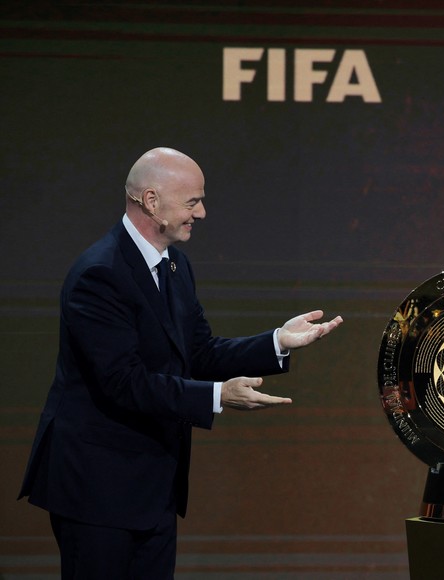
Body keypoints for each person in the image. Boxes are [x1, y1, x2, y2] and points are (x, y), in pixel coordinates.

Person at [18, 147, 343, 579]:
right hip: (97, 487)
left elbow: (200, 352)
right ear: (151, 201)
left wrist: (277, 341)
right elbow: (123, 381)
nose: (203, 213)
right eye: (192, 202)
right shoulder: (99, 274)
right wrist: (217, 396)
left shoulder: (175, 266)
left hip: (153, 487)